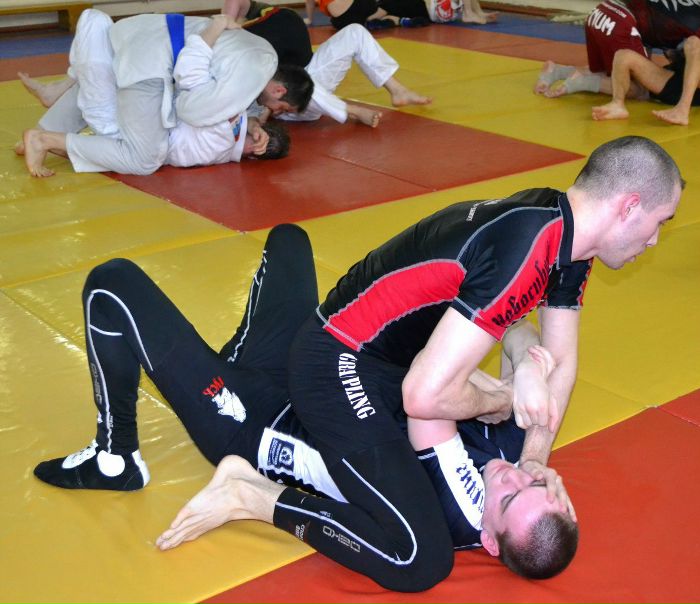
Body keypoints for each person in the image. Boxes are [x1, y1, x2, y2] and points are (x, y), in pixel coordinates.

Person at [33, 223, 574, 584]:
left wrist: (505, 390)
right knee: (290, 238)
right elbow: (514, 326)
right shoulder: (515, 464)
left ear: (490, 541)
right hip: (312, 370)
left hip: (254, 423)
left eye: (508, 498)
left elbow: (427, 398)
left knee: (111, 285)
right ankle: (229, 358)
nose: (511, 477)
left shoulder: (460, 509)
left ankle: (114, 455)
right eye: (532, 485)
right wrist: (529, 370)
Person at [259, 135, 680, 591]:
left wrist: (534, 460)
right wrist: (502, 398)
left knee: (460, 458)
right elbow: (423, 397)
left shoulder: (562, 233)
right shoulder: (526, 247)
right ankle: (254, 495)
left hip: (393, 364)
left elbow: (561, 360)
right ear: (629, 206)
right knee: (418, 554)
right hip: (337, 362)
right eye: (660, 221)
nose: (654, 239)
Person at [22, 10, 312, 177]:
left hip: (139, 33)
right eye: (282, 107)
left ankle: (47, 124)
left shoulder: (263, 54)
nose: (275, 112)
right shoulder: (250, 76)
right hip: (150, 69)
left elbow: (231, 93)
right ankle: (45, 139)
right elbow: (191, 107)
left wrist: (252, 122)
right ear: (279, 89)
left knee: (101, 87)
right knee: (143, 157)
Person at [237, 7, 431, 127]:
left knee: (355, 32)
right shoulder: (246, 49)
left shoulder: (278, 27)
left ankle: (397, 89)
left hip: (295, 96)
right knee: (301, 87)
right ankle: (352, 110)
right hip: (284, 102)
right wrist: (259, 114)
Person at [534, 0, 650, 98]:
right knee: (640, 88)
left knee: (609, 70)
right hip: (620, 22)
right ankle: (584, 81)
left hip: (602, 11)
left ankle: (557, 71)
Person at [592, 34, 700, 124]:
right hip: (673, 81)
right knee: (623, 55)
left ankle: (682, 109)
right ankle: (617, 104)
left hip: (694, 86)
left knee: (693, 42)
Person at [303, 0, 429, 32]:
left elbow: (309, 2)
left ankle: (397, 20)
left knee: (385, 7)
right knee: (385, 6)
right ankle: (397, 20)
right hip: (358, 11)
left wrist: (309, 19)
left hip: (342, 22)